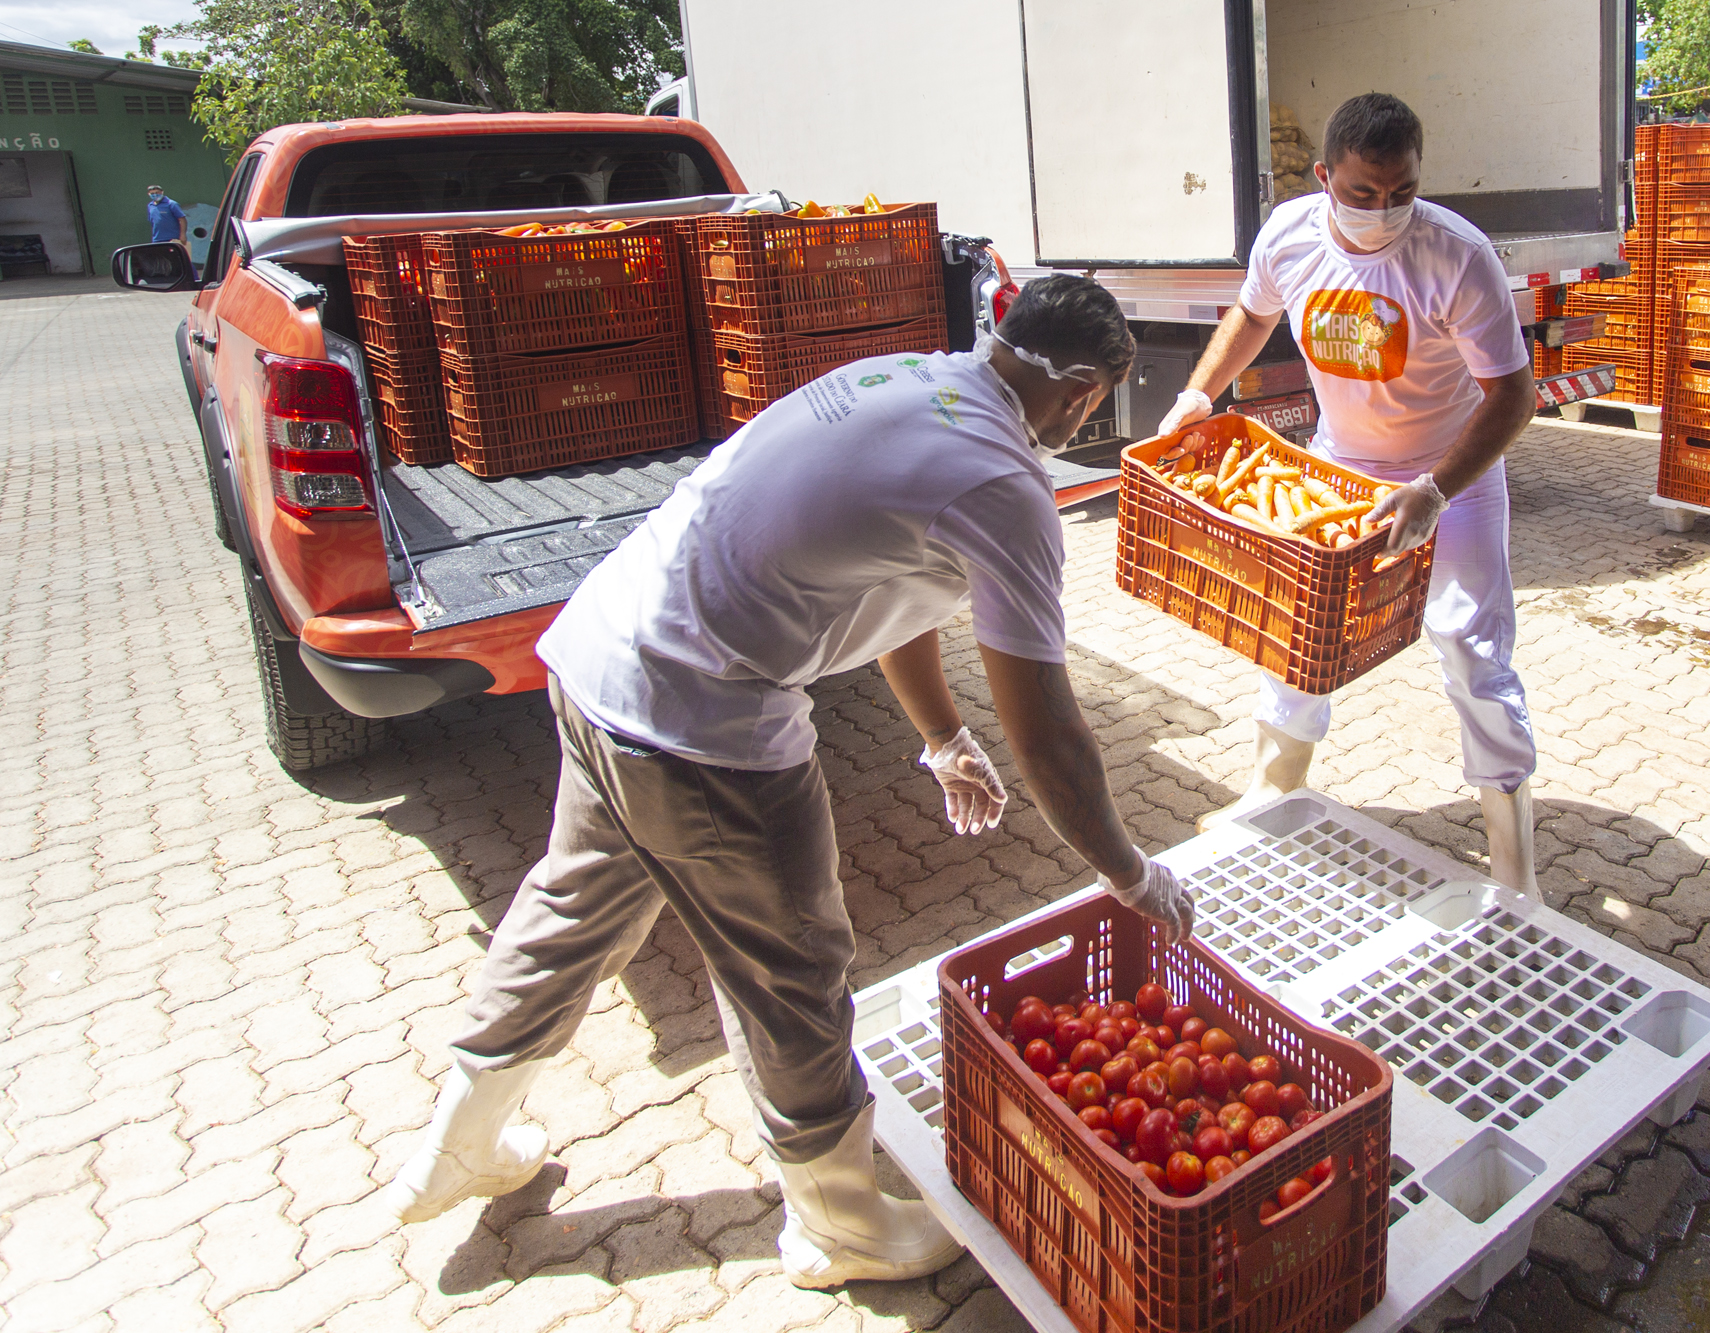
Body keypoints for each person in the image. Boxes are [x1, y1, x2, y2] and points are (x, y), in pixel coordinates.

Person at [386, 275, 1195, 1289]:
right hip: (699, 718)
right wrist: (1126, 873)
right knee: (790, 970)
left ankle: (464, 1134)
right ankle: (836, 1222)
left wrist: (940, 736)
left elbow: (893, 585)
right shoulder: (1003, 482)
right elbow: (1050, 734)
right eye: (1094, 402)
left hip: (600, 659)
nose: (1087, 418)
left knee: (576, 905)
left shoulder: (905, 377)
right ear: (1079, 391)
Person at [1158, 92, 1543, 899]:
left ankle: (1513, 865)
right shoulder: (1292, 236)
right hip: (1340, 473)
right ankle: (1275, 786)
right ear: (1326, 176)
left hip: (1451, 480)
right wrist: (1201, 394)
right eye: (1363, 194)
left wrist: (1434, 491)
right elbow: (1251, 315)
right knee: (1300, 629)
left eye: (1402, 192)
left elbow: (1513, 396)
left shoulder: (1456, 256)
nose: (1384, 211)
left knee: (1472, 648)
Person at [145, 185, 186, 249]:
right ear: (148, 194)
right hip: (157, 240)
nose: (155, 195)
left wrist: (183, 235)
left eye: (157, 192)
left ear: (162, 192)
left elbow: (182, 219)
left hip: (172, 239)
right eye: (152, 193)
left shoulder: (171, 204)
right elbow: (153, 222)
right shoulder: (150, 205)